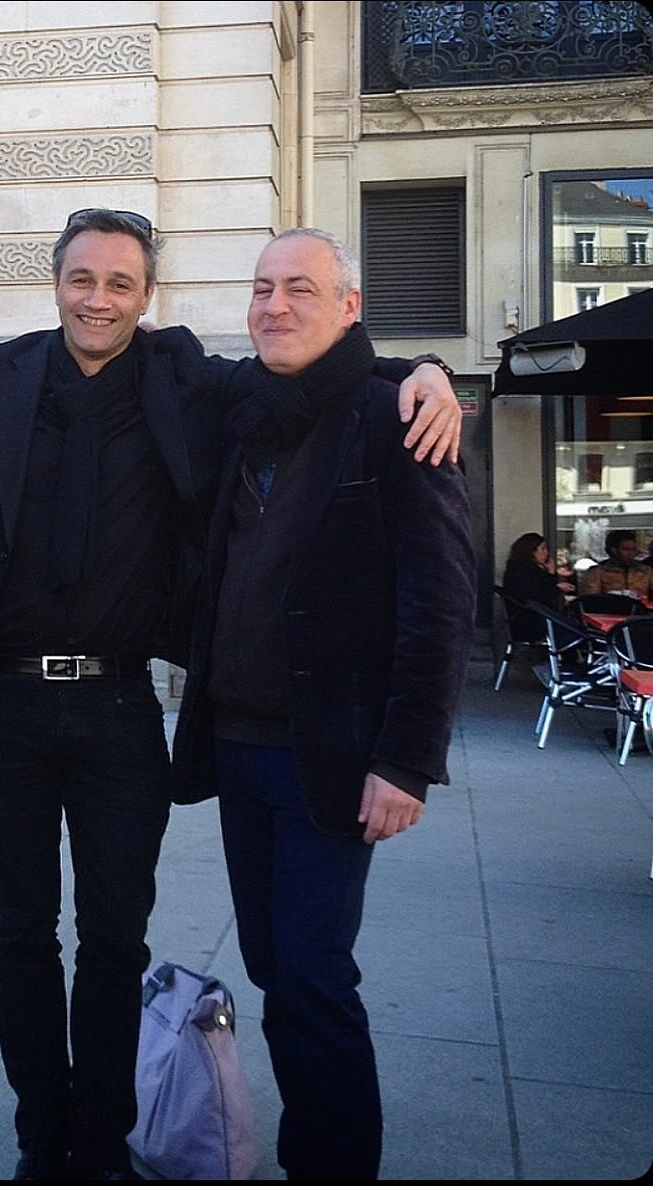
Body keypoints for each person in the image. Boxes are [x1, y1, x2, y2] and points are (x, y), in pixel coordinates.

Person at [0, 210, 462, 1179]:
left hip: (118, 712)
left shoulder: (185, 377)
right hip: (3, 707)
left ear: (144, 296)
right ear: (55, 283)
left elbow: (319, 364)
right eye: (80, 280)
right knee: (20, 933)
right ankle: (40, 1138)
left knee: (116, 939)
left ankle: (101, 1141)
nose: (96, 299)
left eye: (118, 283)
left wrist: (424, 372)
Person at [172, 228, 476, 1181]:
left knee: (311, 975)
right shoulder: (240, 407)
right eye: (262, 288)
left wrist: (407, 758)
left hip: (336, 760)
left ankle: (334, 1164)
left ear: (349, 306)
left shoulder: (396, 416)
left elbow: (443, 601)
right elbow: (134, 347)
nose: (274, 305)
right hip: (239, 746)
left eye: (301, 289)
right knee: (274, 967)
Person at [502, 531, 573, 612]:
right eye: (542, 549)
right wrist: (555, 583)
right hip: (533, 615)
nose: (546, 552)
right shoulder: (524, 571)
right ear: (531, 551)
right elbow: (542, 596)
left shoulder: (520, 568)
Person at [581, 528, 653, 598]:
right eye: (626, 549)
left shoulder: (646, 572)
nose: (631, 553)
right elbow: (590, 599)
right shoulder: (598, 572)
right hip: (609, 608)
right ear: (614, 551)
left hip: (641, 608)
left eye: (633, 549)